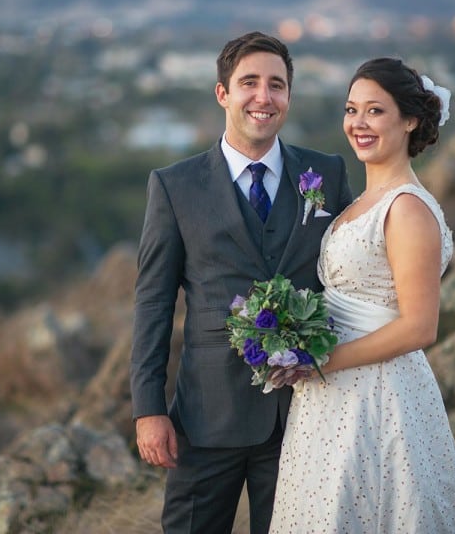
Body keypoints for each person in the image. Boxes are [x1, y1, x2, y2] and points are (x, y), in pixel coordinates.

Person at [130, 31, 354, 533]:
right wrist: (148, 408)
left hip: (304, 414)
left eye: (276, 85)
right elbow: (153, 303)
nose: (263, 96)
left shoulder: (327, 173)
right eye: (249, 82)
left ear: (288, 98)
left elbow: (350, 277)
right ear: (222, 93)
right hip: (208, 416)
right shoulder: (174, 186)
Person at [270, 58, 455, 533]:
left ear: (409, 121)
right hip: (329, 396)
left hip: (378, 396)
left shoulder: (406, 209)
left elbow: (420, 326)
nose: (358, 124)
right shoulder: (358, 202)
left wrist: (324, 360)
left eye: (375, 112)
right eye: (351, 109)